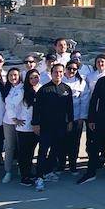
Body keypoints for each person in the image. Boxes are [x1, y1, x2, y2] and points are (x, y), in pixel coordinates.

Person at [32, 62, 74, 191]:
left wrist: (70, 121)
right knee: (43, 151)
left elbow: (69, 108)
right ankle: (39, 177)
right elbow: (36, 109)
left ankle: (48, 172)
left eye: (61, 72)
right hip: (46, 126)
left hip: (61, 126)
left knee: (56, 150)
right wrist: (36, 124)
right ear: (52, 73)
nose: (58, 74)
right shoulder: (44, 89)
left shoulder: (66, 88)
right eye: (56, 72)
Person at [10, 68, 40, 186]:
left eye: (36, 77)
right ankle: (24, 176)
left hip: (37, 126)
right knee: (24, 153)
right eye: (31, 78)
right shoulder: (22, 91)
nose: (34, 80)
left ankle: (28, 172)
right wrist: (14, 119)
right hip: (24, 127)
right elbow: (11, 104)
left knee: (31, 152)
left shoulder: (41, 89)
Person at [63, 61, 89, 172]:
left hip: (76, 117)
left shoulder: (81, 82)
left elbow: (84, 101)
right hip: (62, 118)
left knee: (75, 142)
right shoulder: (60, 80)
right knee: (62, 141)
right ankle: (61, 163)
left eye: (74, 69)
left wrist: (81, 117)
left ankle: (73, 164)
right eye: (69, 68)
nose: (72, 71)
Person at [0, 67, 22, 183]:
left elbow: (12, 104)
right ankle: (8, 171)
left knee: (21, 146)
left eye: (16, 75)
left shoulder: (23, 88)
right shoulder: (6, 89)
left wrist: (16, 118)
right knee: (9, 146)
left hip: (21, 121)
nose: (13, 77)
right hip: (8, 122)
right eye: (11, 75)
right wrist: (12, 118)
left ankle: (21, 168)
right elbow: (7, 105)